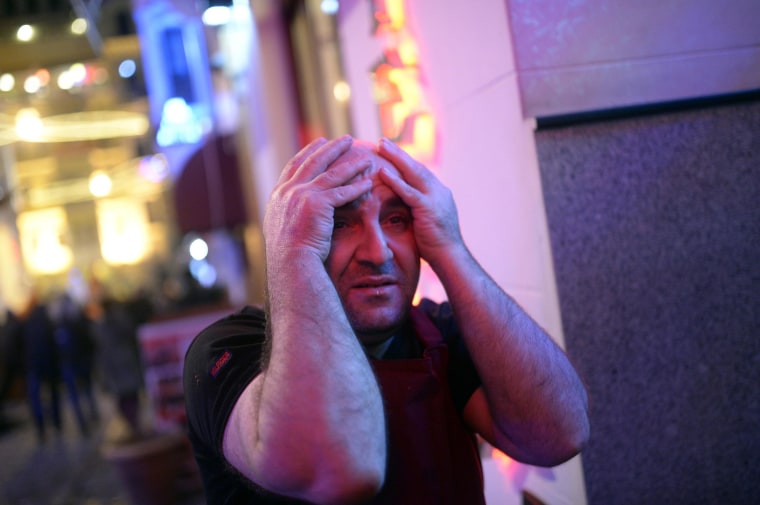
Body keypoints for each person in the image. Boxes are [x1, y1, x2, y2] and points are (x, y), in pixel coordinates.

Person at [183, 136, 590, 504]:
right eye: (340, 222)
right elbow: (342, 472)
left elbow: (560, 434)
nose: (378, 252)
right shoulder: (228, 349)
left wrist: (450, 247)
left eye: (396, 220)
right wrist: (293, 252)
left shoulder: (436, 331)